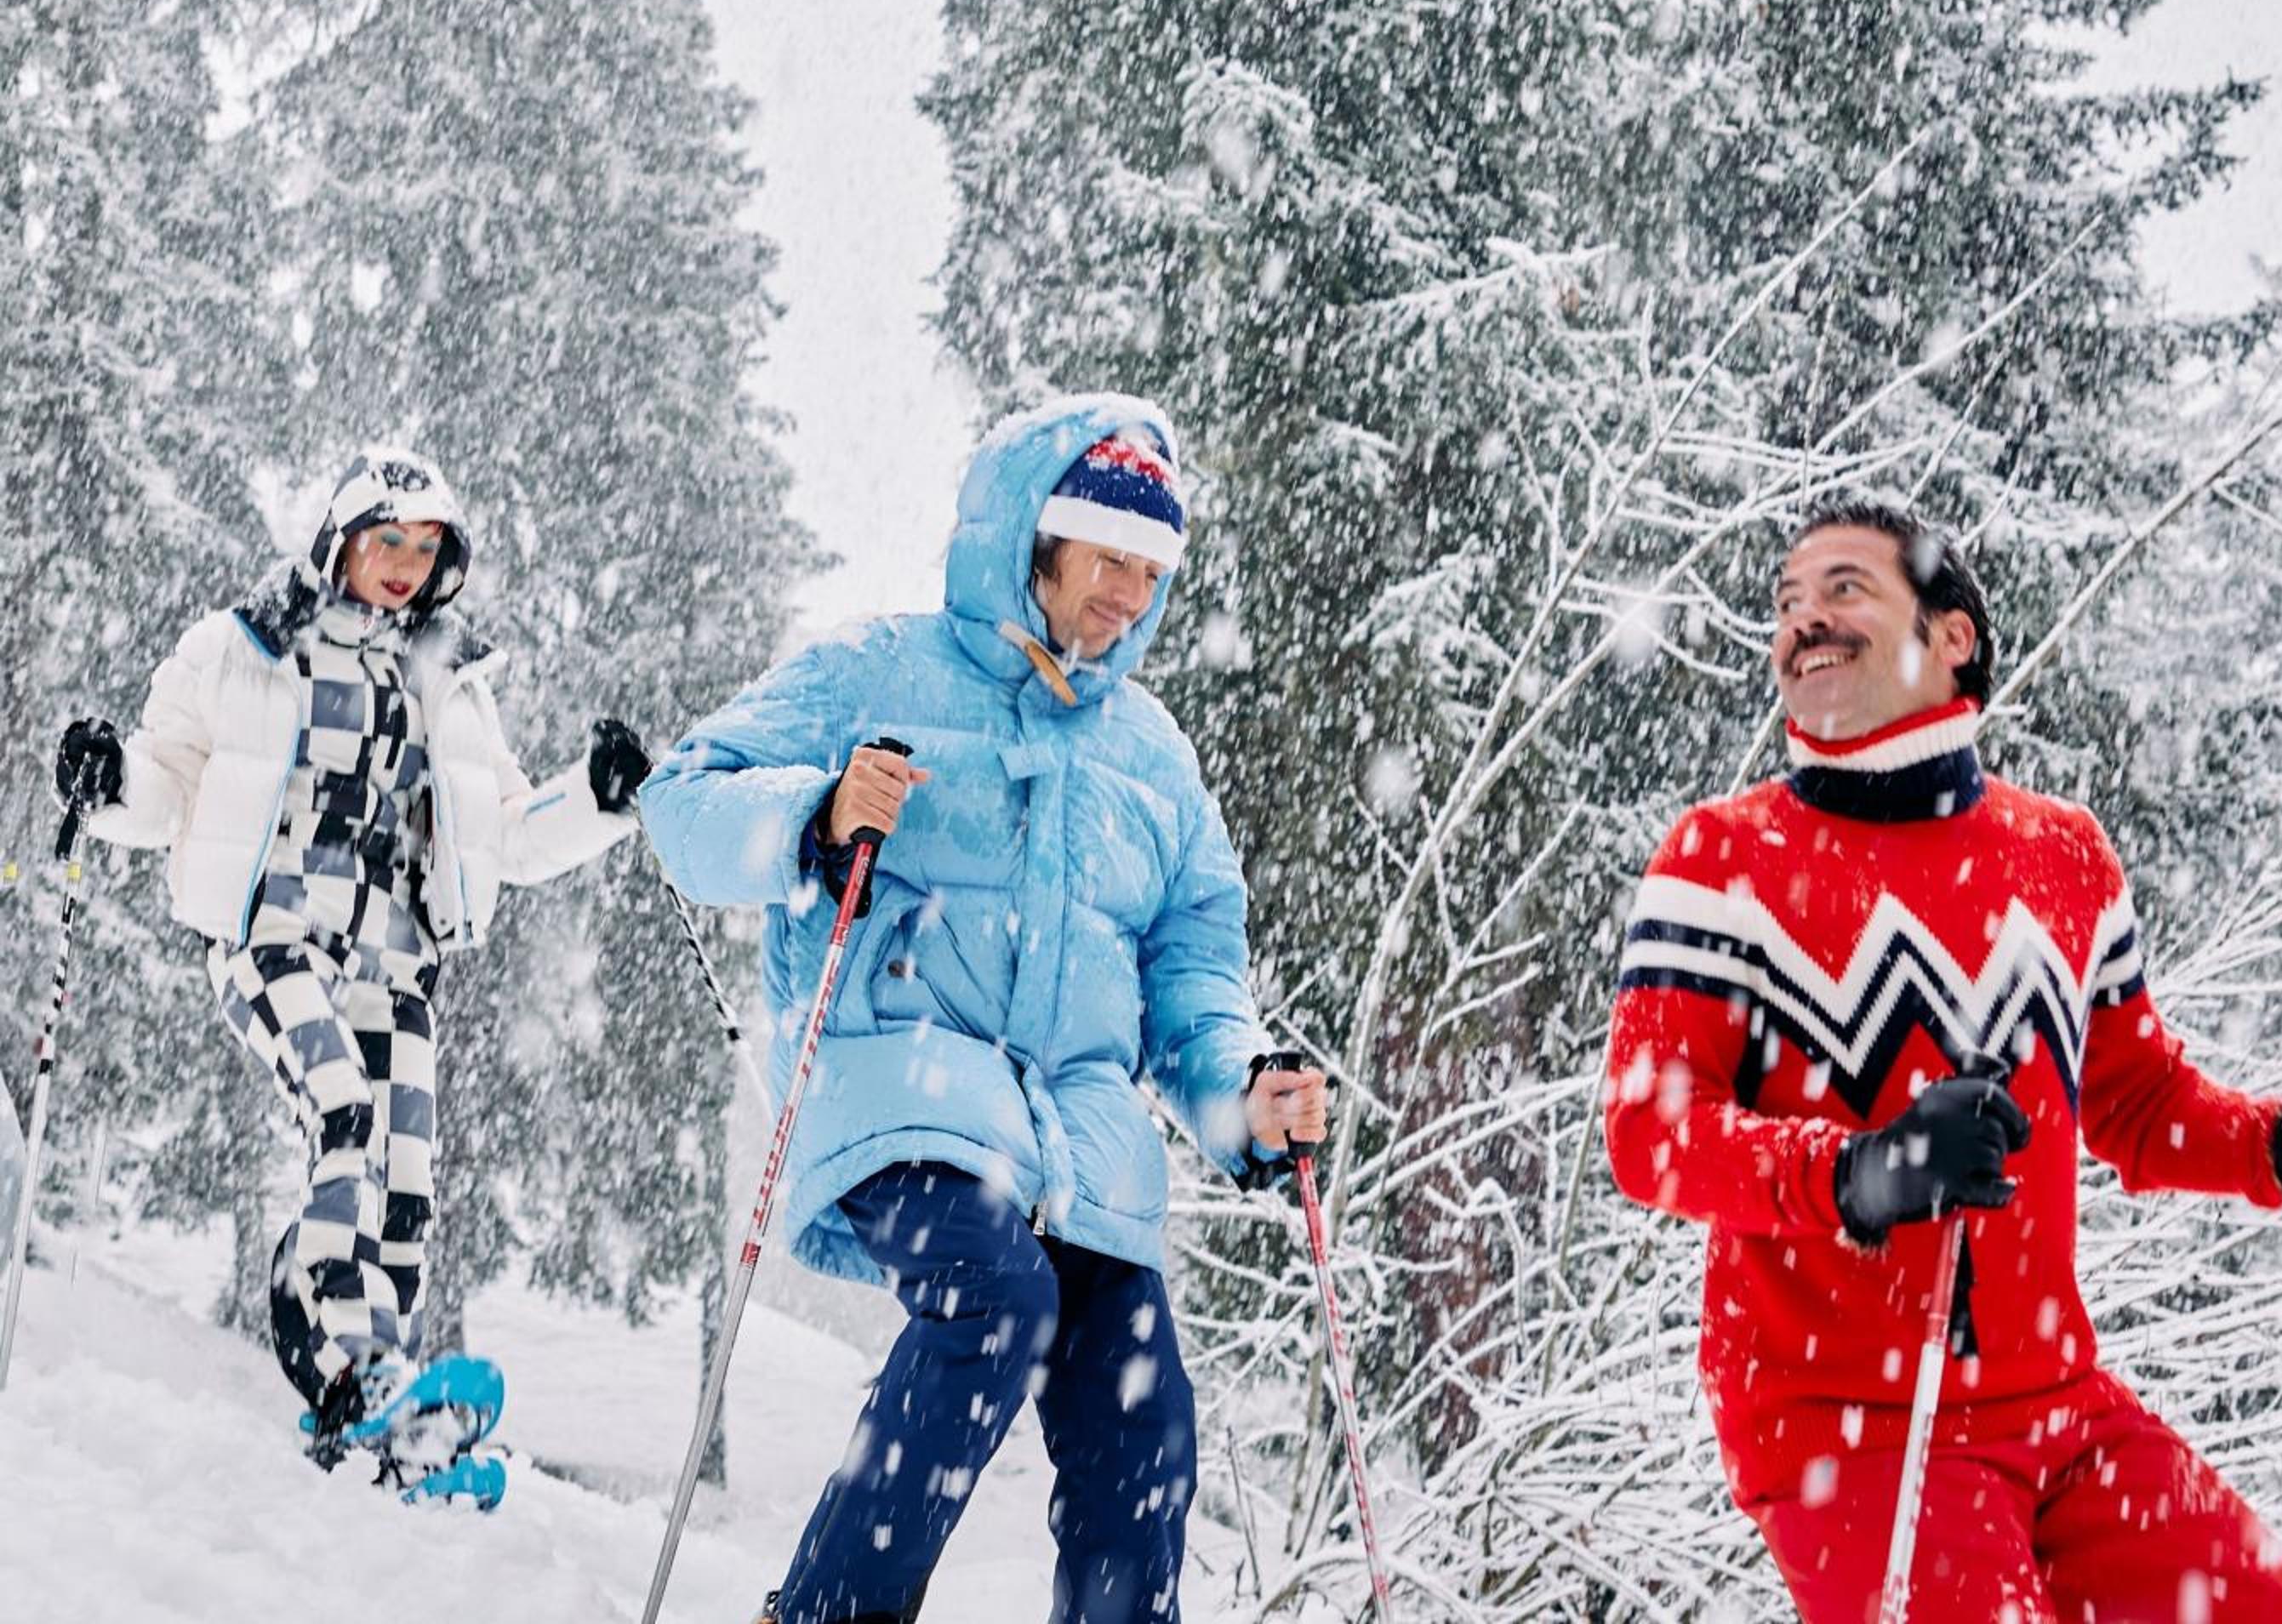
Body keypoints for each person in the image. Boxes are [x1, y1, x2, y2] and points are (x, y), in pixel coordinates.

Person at [1601, 494, 2282, 1621]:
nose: (1804, 620)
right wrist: (1860, 1172)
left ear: (1954, 635)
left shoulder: (2064, 855)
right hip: (1846, 1424)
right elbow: (1651, 1135)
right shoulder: (1720, 860)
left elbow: (2138, 1104)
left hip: (2059, 1407)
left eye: (1845, 589)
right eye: (1788, 602)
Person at [641, 394, 1329, 1624]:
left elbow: (1193, 971)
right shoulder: (877, 671)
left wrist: (1242, 1090)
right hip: (902, 1087)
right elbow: (683, 802)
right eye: (1108, 559)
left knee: (1144, 1418)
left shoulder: (1153, 758)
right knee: (994, 1296)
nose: (1130, 594)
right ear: (1034, 542)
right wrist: (817, 811)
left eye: (1152, 570)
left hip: (1081, 1141)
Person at [54, 447, 648, 1501]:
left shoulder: (448, 683)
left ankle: (390, 1419)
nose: (406, 564)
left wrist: (596, 798)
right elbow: (167, 785)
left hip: (393, 960)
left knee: (406, 1185)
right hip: (273, 937)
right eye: (388, 541)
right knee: (343, 1113)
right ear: (339, 540)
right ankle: (339, 1354)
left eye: (426, 548)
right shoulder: (240, 649)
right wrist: (107, 783)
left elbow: (508, 831)